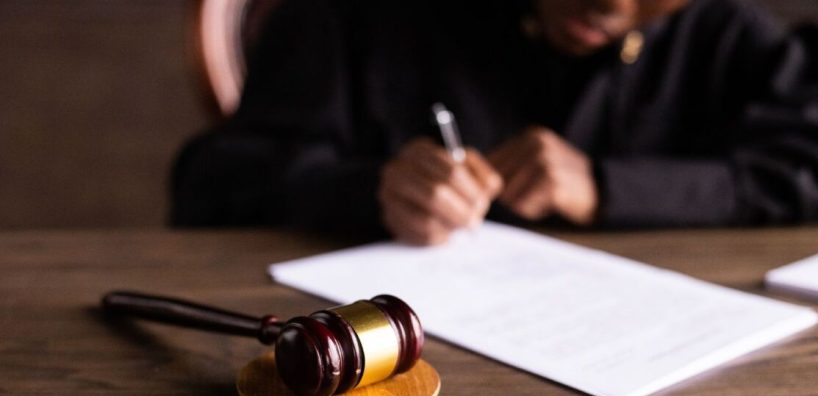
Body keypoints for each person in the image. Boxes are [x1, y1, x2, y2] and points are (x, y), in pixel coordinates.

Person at [172, 0, 818, 245]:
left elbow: (802, 170)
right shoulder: (356, 15)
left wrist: (607, 187)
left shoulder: (724, 34)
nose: (613, 3)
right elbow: (210, 183)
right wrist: (371, 190)